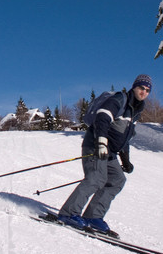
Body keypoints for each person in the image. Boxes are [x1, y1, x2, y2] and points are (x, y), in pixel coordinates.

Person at [57, 74, 151, 237]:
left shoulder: (135, 111)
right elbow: (102, 116)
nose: (144, 92)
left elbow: (124, 137)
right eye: (141, 88)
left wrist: (126, 161)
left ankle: (93, 217)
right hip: (95, 145)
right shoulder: (121, 99)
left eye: (147, 90)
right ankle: (68, 214)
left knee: (117, 180)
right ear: (135, 86)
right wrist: (101, 142)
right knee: (96, 178)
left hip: (110, 153)